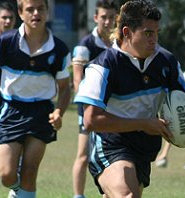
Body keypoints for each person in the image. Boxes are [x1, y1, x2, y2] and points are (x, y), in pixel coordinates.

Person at [74, 0, 185, 197]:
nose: (154, 40)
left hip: (144, 148)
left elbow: (182, 100)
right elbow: (91, 120)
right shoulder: (104, 66)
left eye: (156, 33)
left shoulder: (166, 62)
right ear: (127, 32)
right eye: (148, 33)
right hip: (111, 144)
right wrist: (143, 124)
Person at [0, 0, 71, 197]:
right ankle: (16, 190)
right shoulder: (4, 43)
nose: (35, 13)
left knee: (30, 171)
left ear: (47, 12)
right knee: (6, 175)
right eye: (30, 9)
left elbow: (65, 89)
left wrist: (58, 112)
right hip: (11, 110)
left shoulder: (59, 49)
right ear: (20, 13)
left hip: (42, 112)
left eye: (41, 8)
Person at [71, 1, 117, 198]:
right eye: (104, 17)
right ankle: (78, 195)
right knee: (83, 154)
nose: (108, 22)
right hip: (90, 109)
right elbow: (77, 78)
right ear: (96, 18)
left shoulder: (120, 44)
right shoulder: (85, 45)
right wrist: (88, 105)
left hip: (114, 110)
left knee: (112, 155)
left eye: (112, 17)